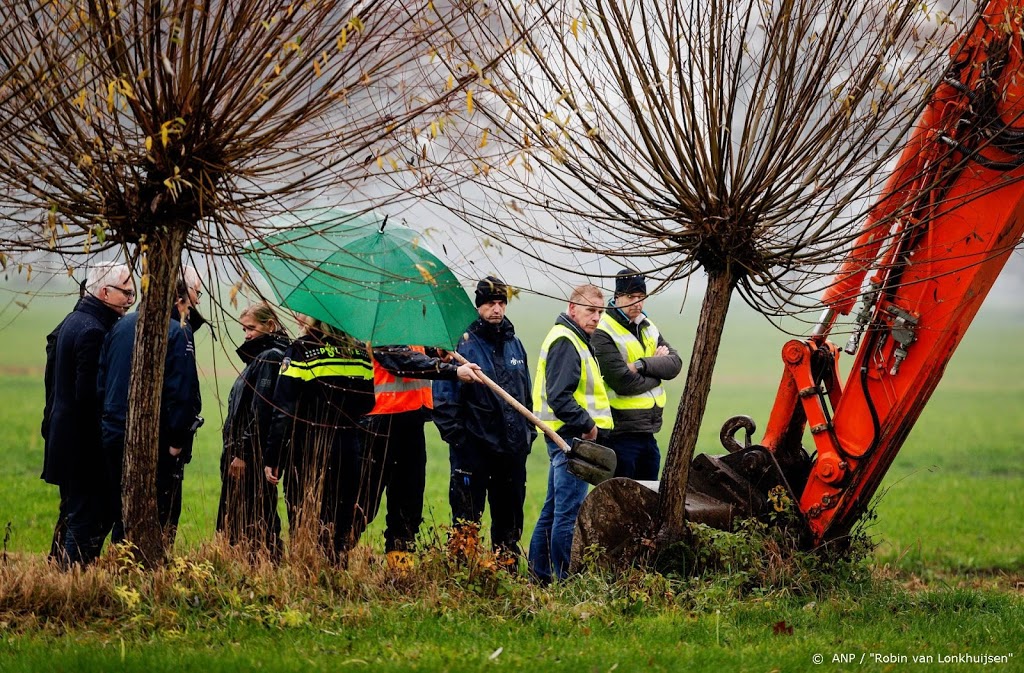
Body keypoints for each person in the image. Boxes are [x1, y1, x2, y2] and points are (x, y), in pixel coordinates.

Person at [433, 276, 535, 567]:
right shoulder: (460, 345)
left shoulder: (515, 345)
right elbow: (444, 400)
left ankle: (506, 576)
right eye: (490, 303)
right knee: (466, 521)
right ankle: (464, 579)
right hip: (473, 453)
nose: (497, 309)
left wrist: (527, 437)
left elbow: (525, 396)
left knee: (509, 522)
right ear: (478, 305)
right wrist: (462, 442)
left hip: (511, 453)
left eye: (501, 303)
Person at [98, 267, 203, 547]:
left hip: (112, 432)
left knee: (123, 512)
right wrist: (177, 442)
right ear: (180, 299)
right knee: (159, 514)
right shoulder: (177, 331)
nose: (198, 303)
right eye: (197, 295)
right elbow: (181, 391)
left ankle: (121, 567)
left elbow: (101, 383)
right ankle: (148, 576)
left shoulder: (118, 327)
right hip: (154, 438)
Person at [42, 262, 134, 567]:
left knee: (73, 513)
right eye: (126, 293)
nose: (131, 300)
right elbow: (89, 396)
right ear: (105, 292)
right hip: (83, 445)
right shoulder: (95, 331)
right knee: (85, 517)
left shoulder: (75, 319)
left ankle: (59, 572)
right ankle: (72, 578)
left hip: (66, 438)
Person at [358, 344, 483, 570]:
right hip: (380, 425)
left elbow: (416, 354)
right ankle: (332, 560)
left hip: (411, 423)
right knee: (362, 504)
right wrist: (452, 371)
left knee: (408, 506)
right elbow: (405, 361)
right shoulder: (385, 325)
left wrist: (436, 353)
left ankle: (400, 573)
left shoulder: (411, 328)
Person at [262, 315, 375, 563]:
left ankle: (310, 570)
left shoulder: (301, 349)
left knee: (307, 512)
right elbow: (369, 402)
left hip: (309, 444)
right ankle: (337, 569)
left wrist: (273, 456)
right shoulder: (359, 352)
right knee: (342, 515)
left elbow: (283, 409)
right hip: (349, 445)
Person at [528, 284, 613, 583]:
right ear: (572, 308)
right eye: (590, 310)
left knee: (552, 511)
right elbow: (560, 396)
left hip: (564, 435)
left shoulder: (572, 337)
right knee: (568, 513)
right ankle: (566, 580)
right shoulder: (566, 341)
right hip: (572, 438)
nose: (596, 318)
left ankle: (539, 577)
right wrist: (588, 425)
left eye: (601, 312)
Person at [216, 302, 289, 559]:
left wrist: (242, 453)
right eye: (243, 329)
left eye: (251, 328)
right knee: (246, 518)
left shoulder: (270, 358)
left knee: (254, 519)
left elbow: (261, 413)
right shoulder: (261, 357)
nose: (246, 334)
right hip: (244, 454)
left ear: (270, 325)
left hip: (250, 458)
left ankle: (262, 566)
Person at [592, 269, 681, 480]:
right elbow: (623, 382)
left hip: (647, 430)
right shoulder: (603, 330)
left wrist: (641, 364)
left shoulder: (648, 326)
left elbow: (675, 364)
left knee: (647, 500)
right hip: (619, 432)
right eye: (630, 297)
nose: (636, 303)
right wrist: (658, 370)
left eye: (641, 297)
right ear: (617, 297)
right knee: (622, 502)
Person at [40, 279, 86, 563]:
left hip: (58, 427)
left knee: (69, 505)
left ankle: (57, 561)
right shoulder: (79, 332)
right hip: (70, 433)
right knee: (74, 506)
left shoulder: (65, 328)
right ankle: (61, 565)